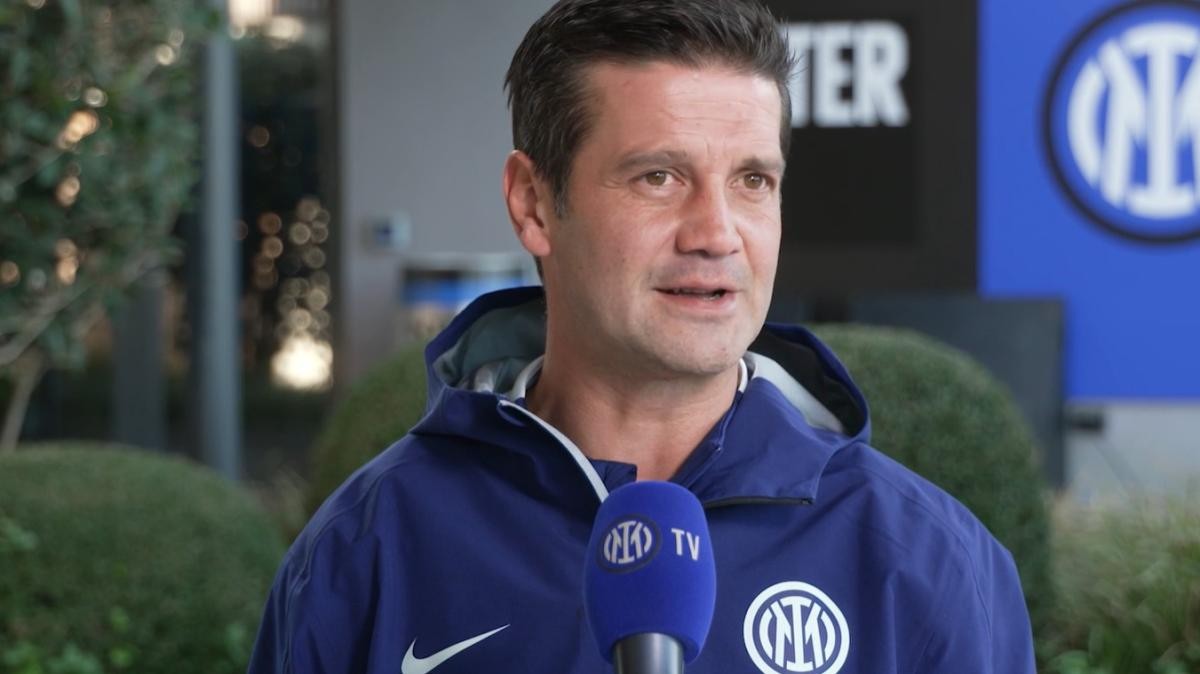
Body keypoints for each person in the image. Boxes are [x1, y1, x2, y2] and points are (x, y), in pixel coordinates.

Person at [248, 1, 1036, 672]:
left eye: (752, 181)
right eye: (658, 177)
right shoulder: (368, 548)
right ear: (533, 204)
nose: (716, 234)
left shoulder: (929, 562)